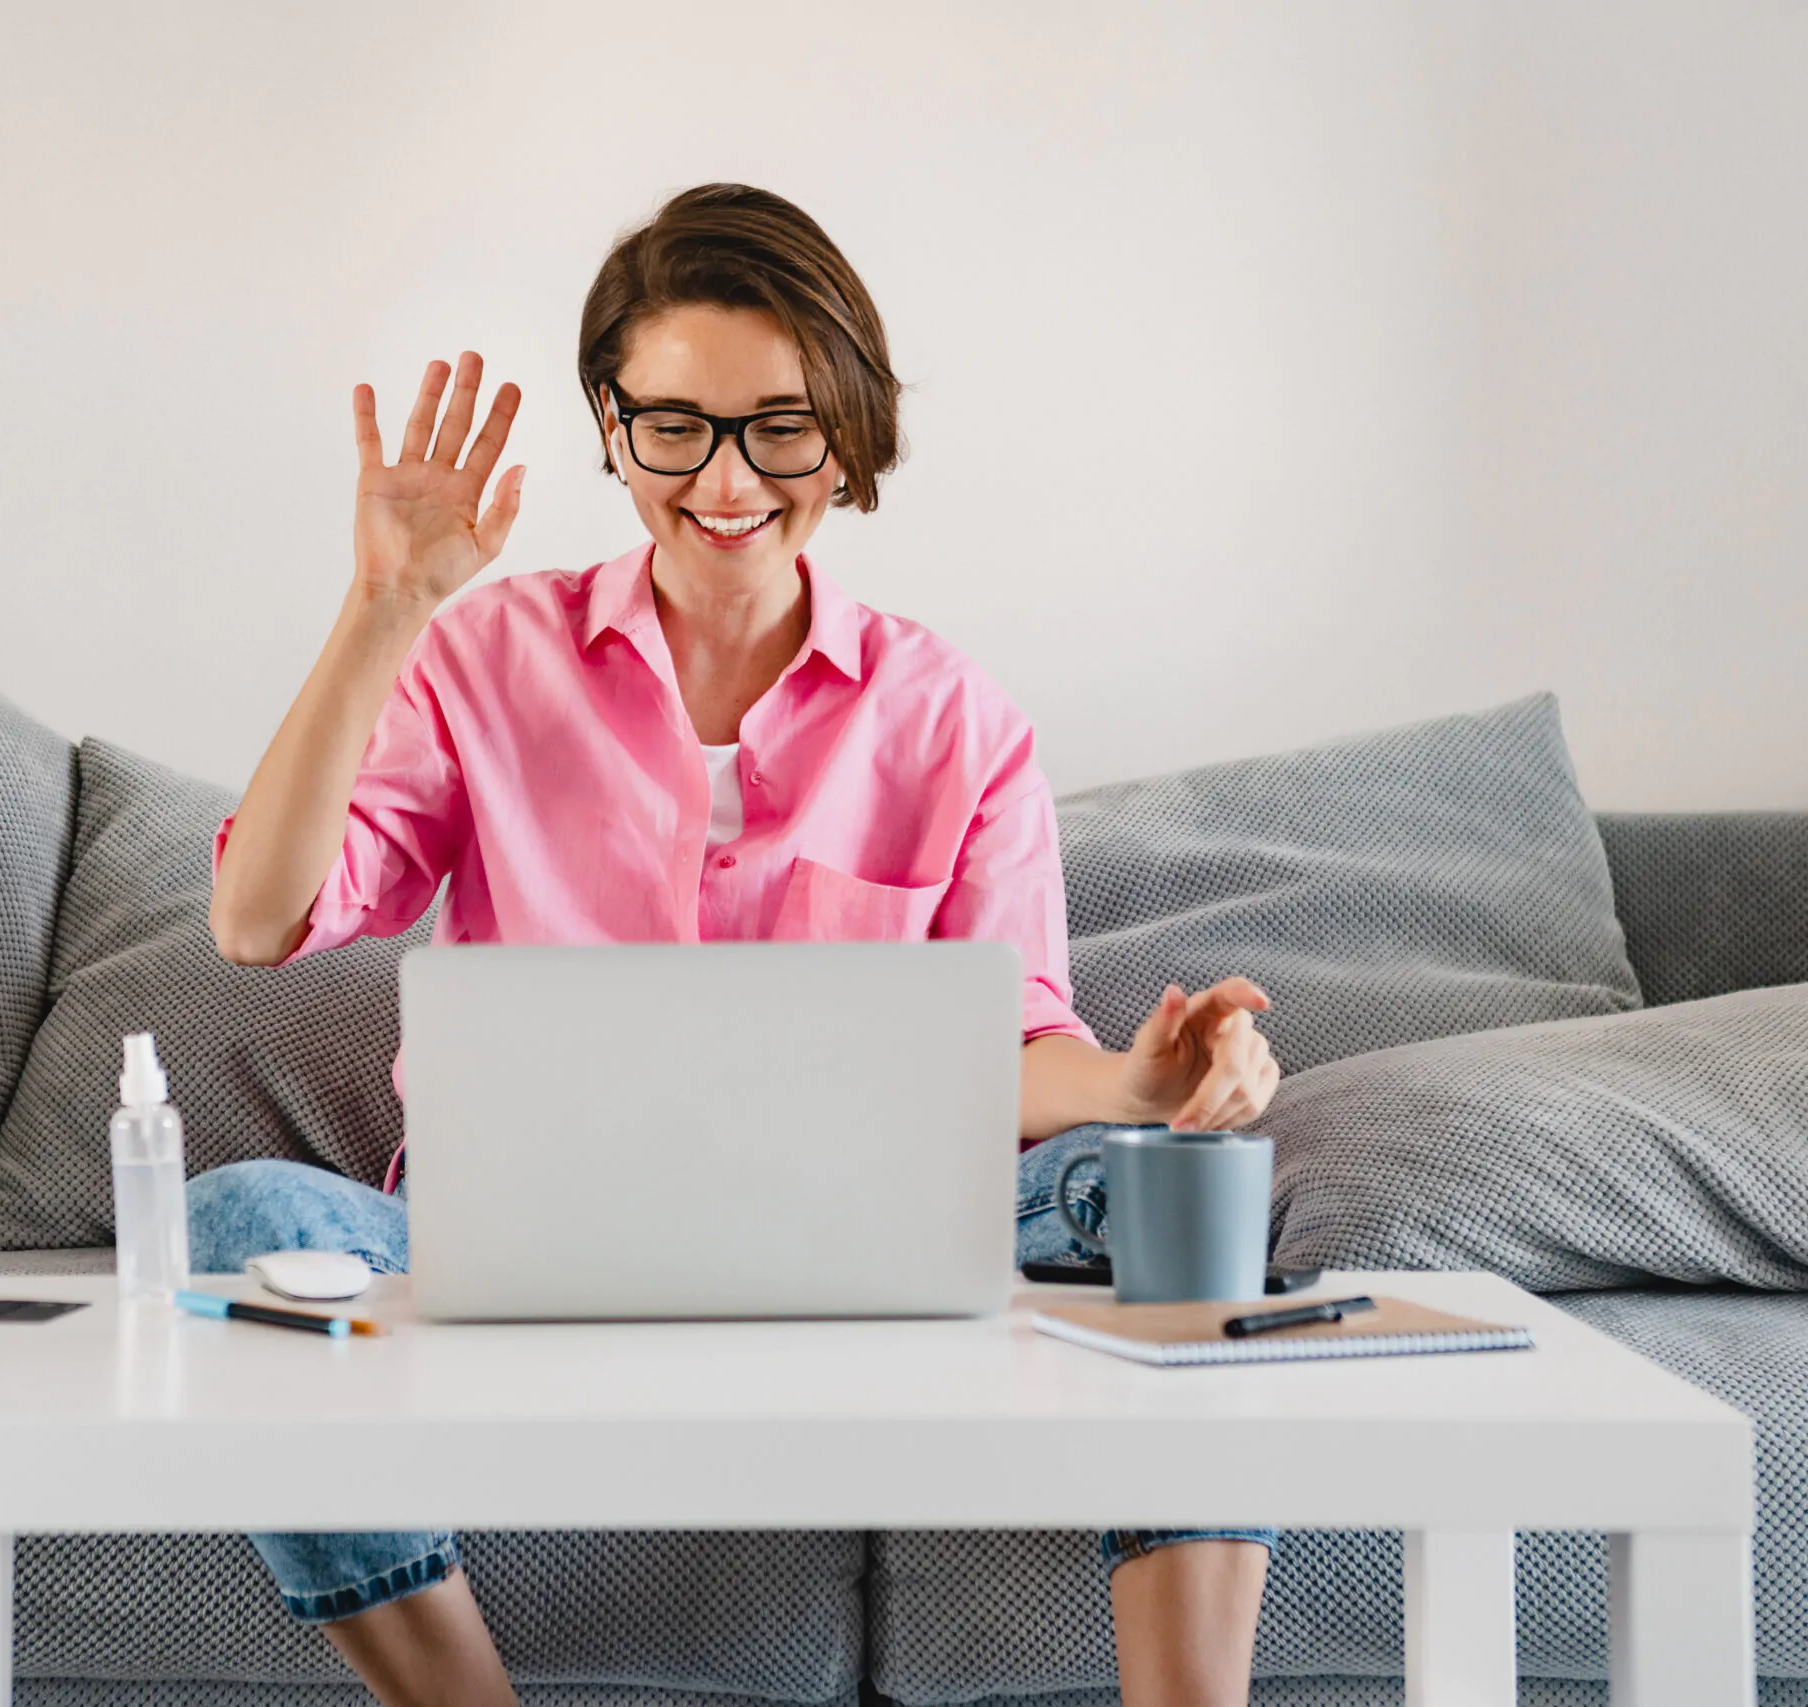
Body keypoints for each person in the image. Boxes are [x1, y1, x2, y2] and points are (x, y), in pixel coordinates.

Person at [198, 183, 1284, 1707]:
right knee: (235, 1223)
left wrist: (1134, 1083)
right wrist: (384, 609)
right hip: (517, 1249)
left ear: (846, 429)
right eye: (676, 424)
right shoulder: (484, 660)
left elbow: (1009, 1054)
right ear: (610, 420)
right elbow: (259, 918)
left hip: (869, 1242)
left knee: (1176, 1193)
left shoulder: (951, 720)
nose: (726, 478)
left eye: (781, 425)